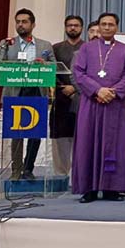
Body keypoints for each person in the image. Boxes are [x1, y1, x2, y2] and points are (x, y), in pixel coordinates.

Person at [72, 13, 125, 202]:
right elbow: (79, 73)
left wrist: (113, 92)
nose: (107, 27)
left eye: (111, 24)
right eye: (103, 24)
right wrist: (97, 90)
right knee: (88, 144)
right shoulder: (86, 48)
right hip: (91, 104)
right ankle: (89, 189)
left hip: (115, 105)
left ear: (117, 27)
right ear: (98, 27)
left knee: (114, 146)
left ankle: (112, 188)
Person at [0, 8, 56, 180]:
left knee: (35, 133)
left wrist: (43, 64)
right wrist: (3, 50)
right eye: (18, 22)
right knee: (17, 133)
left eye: (24, 21)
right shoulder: (7, 43)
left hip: (37, 90)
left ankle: (28, 169)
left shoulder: (45, 45)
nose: (20, 25)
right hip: (15, 91)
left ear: (33, 24)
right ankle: (16, 170)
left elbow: (54, 67)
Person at [50, 15, 84, 178]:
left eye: (76, 25)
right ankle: (61, 174)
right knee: (60, 139)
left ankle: (79, 174)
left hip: (82, 99)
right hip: (61, 99)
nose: (73, 28)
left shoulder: (88, 48)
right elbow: (50, 71)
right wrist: (62, 87)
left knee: (81, 137)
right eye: (69, 25)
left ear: (81, 28)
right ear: (65, 28)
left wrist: (75, 88)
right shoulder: (55, 48)